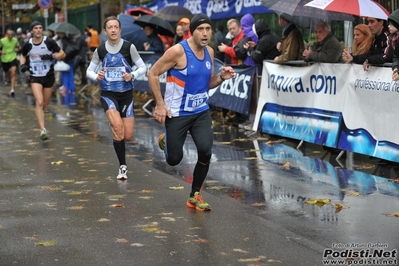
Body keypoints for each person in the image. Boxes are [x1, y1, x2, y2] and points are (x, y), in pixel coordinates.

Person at [147, 14, 235, 211]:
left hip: (200, 111)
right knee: (173, 160)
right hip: (177, 113)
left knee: (205, 151)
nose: (205, 33)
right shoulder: (177, 52)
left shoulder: (210, 52)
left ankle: (194, 194)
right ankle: (166, 140)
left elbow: (206, 84)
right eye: (200, 29)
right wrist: (160, 105)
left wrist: (221, 77)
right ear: (191, 31)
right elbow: (152, 73)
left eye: (208, 29)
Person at [86, 16, 147, 180]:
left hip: (126, 95)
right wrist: (96, 76)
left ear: (120, 30)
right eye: (109, 27)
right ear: (105, 31)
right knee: (117, 127)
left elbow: (143, 67)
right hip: (108, 94)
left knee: (127, 136)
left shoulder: (129, 47)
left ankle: (119, 142)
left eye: (116, 27)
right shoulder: (100, 50)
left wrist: (132, 75)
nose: (113, 30)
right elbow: (89, 71)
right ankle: (122, 167)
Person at [20, 21, 66, 140]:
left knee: (45, 104)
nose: (39, 30)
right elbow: (23, 55)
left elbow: (62, 54)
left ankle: (42, 118)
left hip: (48, 76)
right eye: (36, 28)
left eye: (40, 28)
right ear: (32, 31)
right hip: (35, 76)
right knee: (39, 102)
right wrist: (22, 65)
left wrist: (52, 56)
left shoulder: (49, 42)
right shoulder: (28, 44)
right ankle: (43, 130)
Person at [56, 31, 79, 106]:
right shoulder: (70, 40)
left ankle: (66, 88)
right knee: (71, 74)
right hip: (70, 61)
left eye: (60, 33)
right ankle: (72, 89)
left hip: (65, 61)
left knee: (65, 76)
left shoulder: (63, 41)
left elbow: (62, 52)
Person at [0, 29, 21, 97]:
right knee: (7, 73)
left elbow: (19, 47)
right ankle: (7, 78)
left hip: (13, 57)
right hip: (5, 59)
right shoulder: (2, 40)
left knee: (13, 72)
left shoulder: (15, 40)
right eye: (9, 35)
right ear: (6, 34)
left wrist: (17, 49)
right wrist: (1, 52)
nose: (10, 36)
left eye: (11, 35)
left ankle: (12, 90)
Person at [389, 9, 399, 80]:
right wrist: (396, 68)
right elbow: (396, 57)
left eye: (391, 24)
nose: (389, 26)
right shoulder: (395, 39)